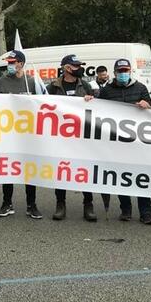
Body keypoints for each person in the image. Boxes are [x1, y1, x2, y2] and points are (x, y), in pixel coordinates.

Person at [99, 59, 151, 225]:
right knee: (122, 177)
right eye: (120, 70)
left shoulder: (140, 88)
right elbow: (98, 109)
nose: (123, 73)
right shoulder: (107, 90)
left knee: (141, 177)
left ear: (130, 71)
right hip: (117, 142)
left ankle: (146, 212)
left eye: (126, 70)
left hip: (138, 141)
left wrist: (148, 104)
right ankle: (126, 209)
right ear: (115, 72)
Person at [47, 54, 98, 222]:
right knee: (61, 170)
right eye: (76, 66)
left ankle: (88, 204)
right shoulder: (53, 87)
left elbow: (98, 107)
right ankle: (60, 204)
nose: (80, 69)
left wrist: (92, 100)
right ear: (67, 68)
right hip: (60, 137)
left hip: (82, 136)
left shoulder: (85, 85)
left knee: (84, 170)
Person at [0, 50, 44, 219]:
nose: (9, 65)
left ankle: (32, 204)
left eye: (12, 62)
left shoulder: (32, 82)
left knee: (29, 169)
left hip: (28, 134)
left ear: (21, 64)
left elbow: (44, 104)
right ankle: (6, 203)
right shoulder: (1, 82)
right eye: (8, 62)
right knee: (7, 168)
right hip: (8, 133)